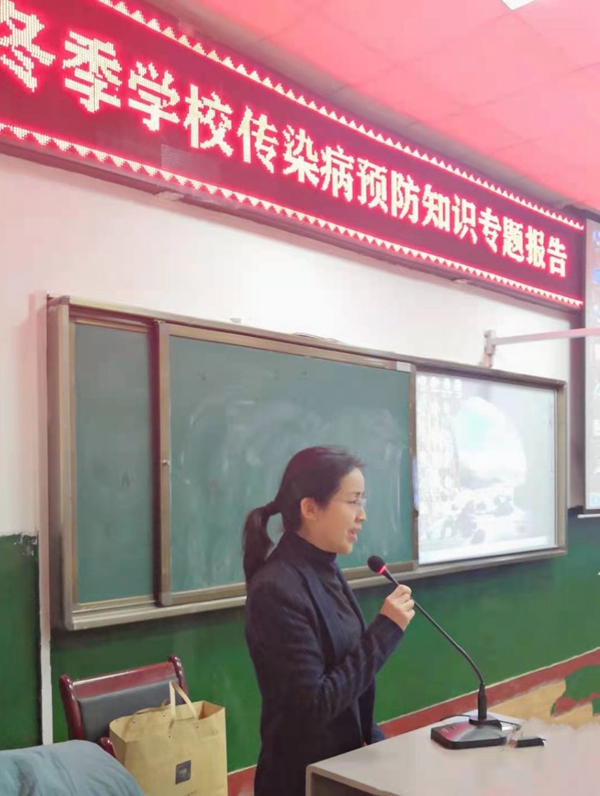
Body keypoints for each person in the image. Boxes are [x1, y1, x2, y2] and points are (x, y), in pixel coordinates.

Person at [243, 446, 415, 796]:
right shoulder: (275, 589)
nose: (362, 515)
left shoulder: (326, 568)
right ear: (310, 508)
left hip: (345, 770)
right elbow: (313, 705)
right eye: (353, 501)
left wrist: (377, 746)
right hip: (302, 782)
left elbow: (350, 682)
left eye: (362, 501)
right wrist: (385, 631)